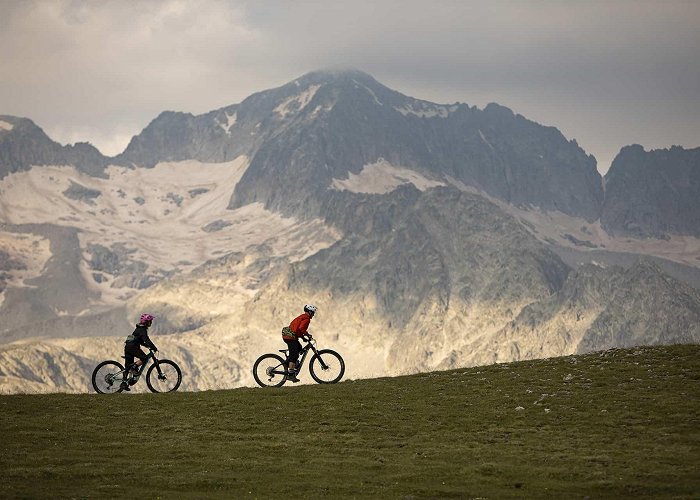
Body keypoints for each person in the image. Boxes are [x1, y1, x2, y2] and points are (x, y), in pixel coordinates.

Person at [120, 313, 158, 391]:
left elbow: (140, 340)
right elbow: (146, 339)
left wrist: (145, 345)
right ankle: (134, 367)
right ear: (146, 322)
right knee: (144, 358)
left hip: (128, 347)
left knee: (128, 366)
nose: (151, 323)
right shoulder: (142, 330)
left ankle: (124, 383)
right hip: (133, 347)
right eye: (150, 321)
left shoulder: (138, 329)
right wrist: (153, 347)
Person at [281, 304, 317, 383]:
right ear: (309, 312)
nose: (313, 315)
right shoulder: (306, 319)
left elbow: (297, 330)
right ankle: (290, 374)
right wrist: (307, 335)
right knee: (294, 355)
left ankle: (289, 363)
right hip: (290, 337)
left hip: (290, 336)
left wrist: (303, 338)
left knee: (299, 348)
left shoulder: (302, 317)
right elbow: (301, 329)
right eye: (313, 313)